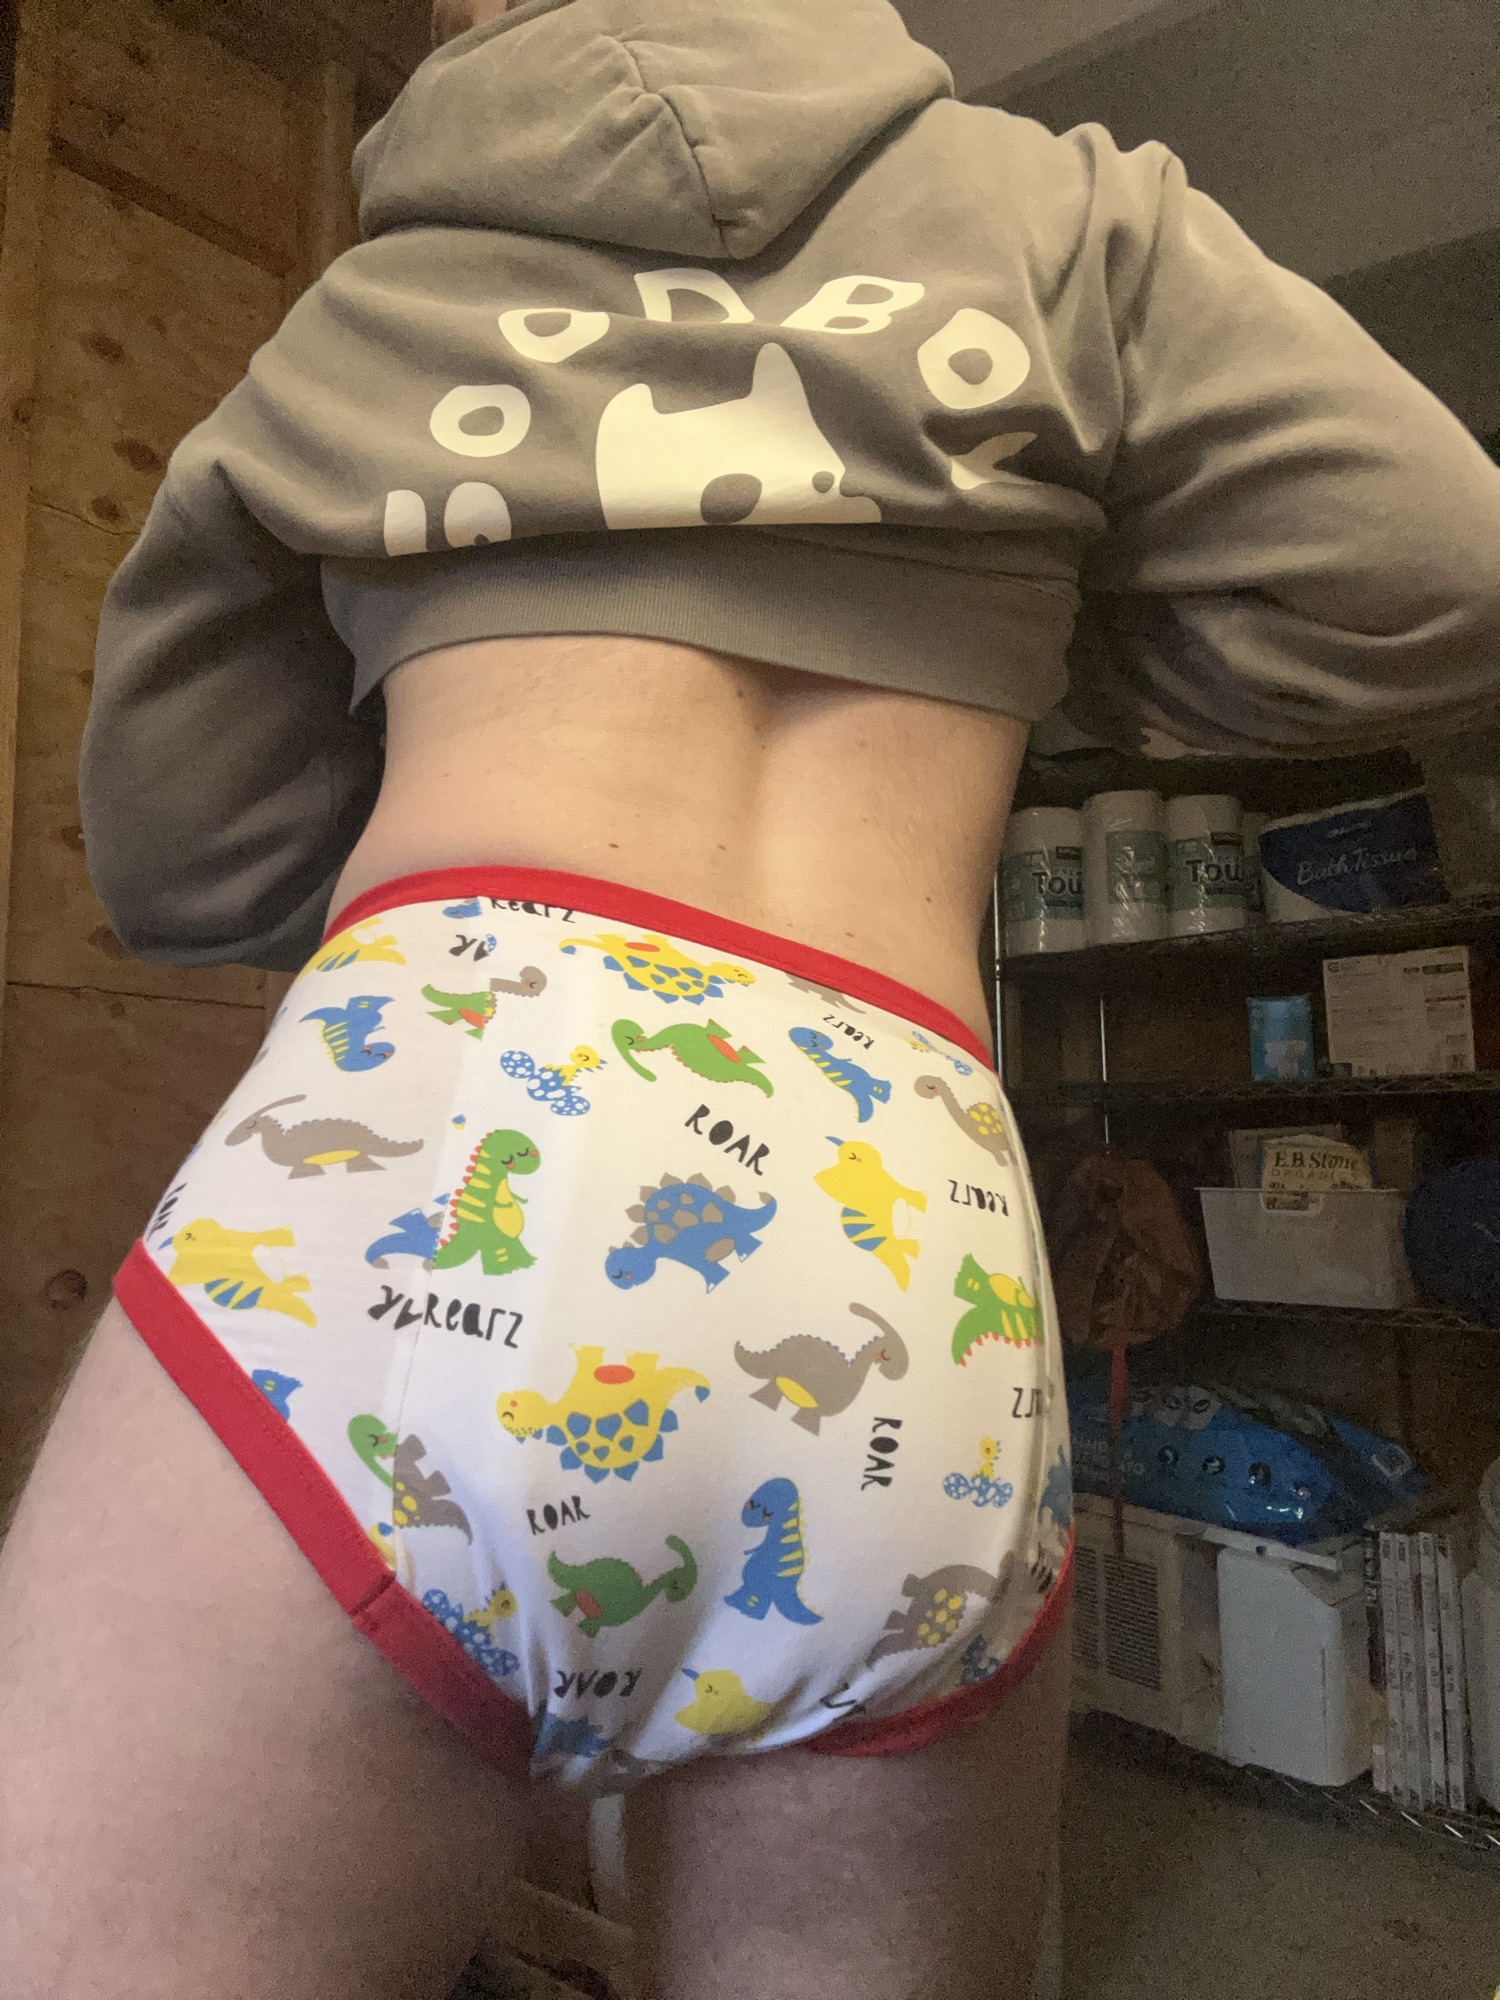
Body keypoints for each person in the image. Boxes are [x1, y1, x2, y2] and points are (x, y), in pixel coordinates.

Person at [3, 1, 1499, 1995]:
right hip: (895, 1204)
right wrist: (1019, 636)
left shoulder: (371, 307)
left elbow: (180, 851)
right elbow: (1447, 573)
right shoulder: (1073, 221)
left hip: (441, 1110)